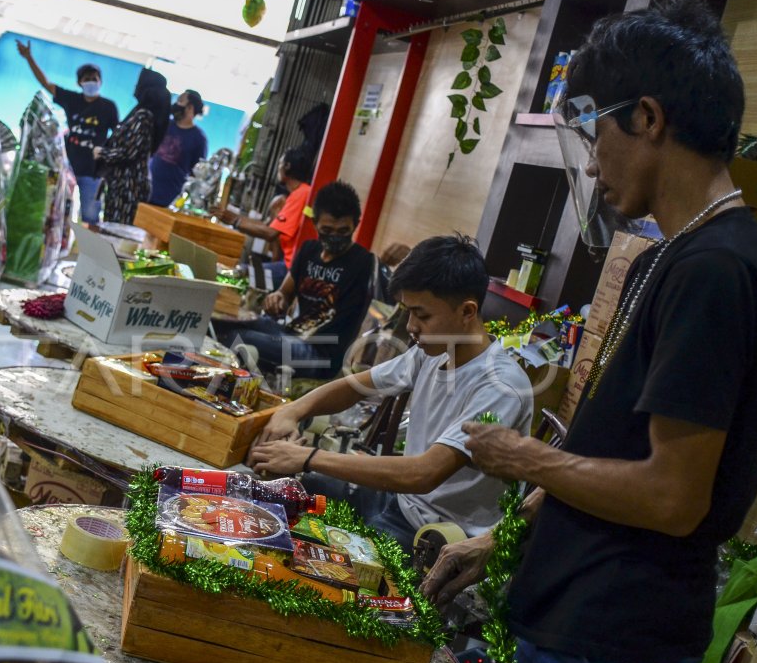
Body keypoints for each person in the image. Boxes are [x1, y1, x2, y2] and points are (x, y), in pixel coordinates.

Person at [421, 0, 757, 663]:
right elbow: (610, 442)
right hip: (573, 610)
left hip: (613, 630)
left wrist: (521, 456)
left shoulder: (718, 270)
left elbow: (671, 494)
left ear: (648, 119)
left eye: (596, 134)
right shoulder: (668, 254)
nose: (590, 161)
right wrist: (508, 531)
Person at [248, 234, 533, 549]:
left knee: (298, 544)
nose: (411, 326)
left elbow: (424, 474)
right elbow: (355, 387)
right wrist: (293, 411)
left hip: (433, 536)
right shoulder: (434, 350)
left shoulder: (500, 386)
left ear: (467, 312)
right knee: (285, 492)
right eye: (408, 312)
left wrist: (309, 456)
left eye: (422, 315)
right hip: (399, 502)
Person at [212, 181, 373, 381]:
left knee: (239, 337)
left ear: (355, 225)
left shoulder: (364, 263)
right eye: (327, 230)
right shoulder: (308, 251)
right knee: (218, 323)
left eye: (343, 232)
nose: (334, 238)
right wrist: (277, 298)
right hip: (289, 334)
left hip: (320, 355)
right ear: (315, 224)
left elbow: (391, 297)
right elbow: (284, 293)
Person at [15, 41, 118, 226]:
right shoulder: (72, 100)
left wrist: (106, 155)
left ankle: (92, 253)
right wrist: (29, 57)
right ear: (80, 82)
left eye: (95, 78)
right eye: (87, 79)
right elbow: (46, 84)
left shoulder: (108, 107)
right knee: (54, 210)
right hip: (65, 167)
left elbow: (118, 134)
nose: (91, 82)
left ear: (101, 81)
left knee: (90, 216)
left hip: (92, 172)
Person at [218, 148, 312, 287]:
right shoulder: (298, 194)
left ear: (287, 166)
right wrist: (236, 218)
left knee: (238, 274)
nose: (278, 168)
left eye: (280, 163)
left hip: (291, 270)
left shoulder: (301, 194)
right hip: (286, 265)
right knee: (240, 270)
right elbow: (268, 227)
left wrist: (235, 221)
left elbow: (270, 233)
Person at [96, 68, 171, 225]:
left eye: (138, 84)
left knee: (117, 232)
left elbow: (130, 152)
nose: (135, 88)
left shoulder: (143, 117)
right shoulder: (141, 114)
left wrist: (102, 153)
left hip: (128, 187)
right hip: (122, 184)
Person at [148, 89, 208, 207]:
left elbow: (196, 174)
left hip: (168, 200)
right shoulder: (165, 124)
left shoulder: (199, 139)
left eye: (180, 101)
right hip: (146, 190)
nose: (176, 105)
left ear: (190, 108)